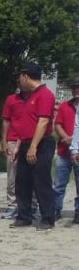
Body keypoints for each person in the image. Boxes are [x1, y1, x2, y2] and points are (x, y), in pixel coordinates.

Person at [11, 62, 56, 230]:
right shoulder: (29, 96)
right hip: (25, 142)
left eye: (20, 77)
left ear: (25, 76)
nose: (19, 81)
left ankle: (47, 218)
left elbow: (43, 122)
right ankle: (24, 216)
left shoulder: (44, 95)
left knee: (41, 181)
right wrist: (19, 145)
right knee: (22, 181)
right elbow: (27, 123)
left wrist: (33, 146)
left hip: (41, 143)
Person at [52, 77, 79, 222]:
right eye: (74, 88)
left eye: (78, 88)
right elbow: (57, 124)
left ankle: (78, 212)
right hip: (64, 151)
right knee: (59, 183)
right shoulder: (64, 106)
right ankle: (56, 209)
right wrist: (65, 137)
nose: (76, 90)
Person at [0, 87, 29, 219]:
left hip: (30, 140)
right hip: (12, 140)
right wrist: (4, 141)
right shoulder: (11, 99)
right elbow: (6, 120)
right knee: (12, 175)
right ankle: (12, 205)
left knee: (32, 175)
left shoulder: (35, 99)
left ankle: (32, 205)